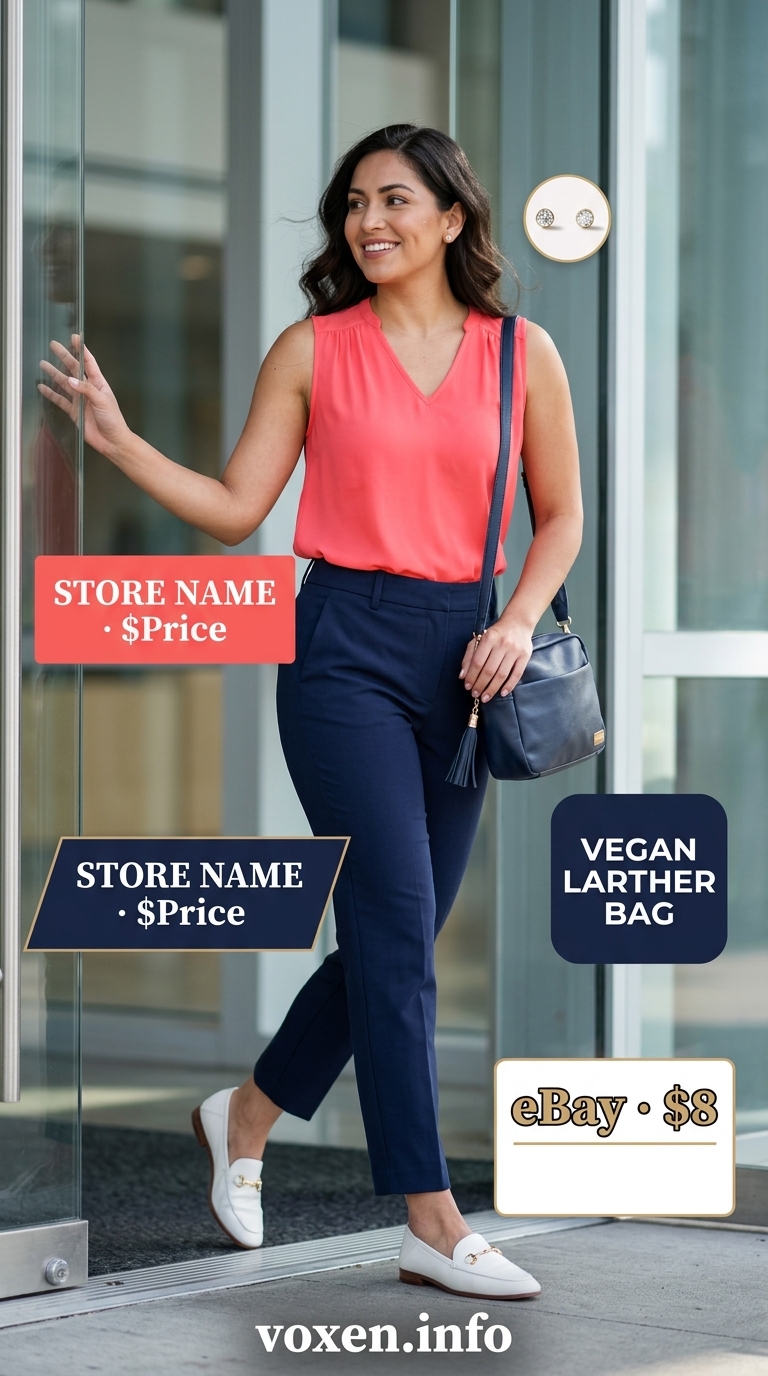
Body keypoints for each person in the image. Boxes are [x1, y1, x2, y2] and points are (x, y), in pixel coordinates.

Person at [40, 124, 582, 1300]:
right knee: (395, 922)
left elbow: (561, 516)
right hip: (340, 648)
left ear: (452, 217)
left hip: (469, 652)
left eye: (395, 200)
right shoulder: (313, 349)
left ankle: (244, 1110)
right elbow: (241, 509)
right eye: (353, 204)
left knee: (401, 929)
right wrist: (123, 443)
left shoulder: (519, 353)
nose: (368, 221)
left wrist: (515, 620)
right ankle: (430, 1218)